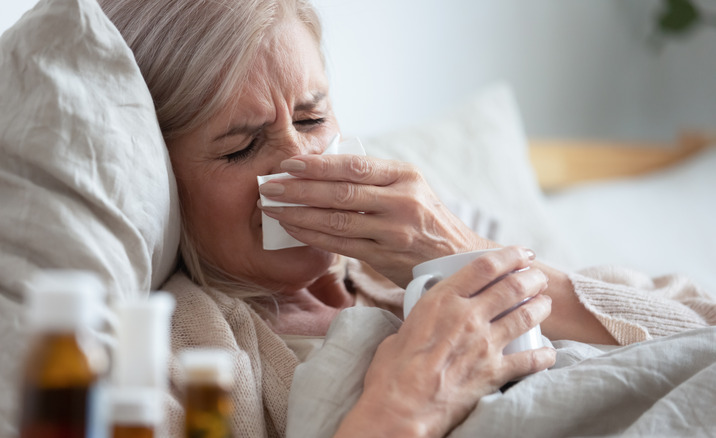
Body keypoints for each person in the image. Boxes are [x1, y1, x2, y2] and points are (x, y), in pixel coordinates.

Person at [98, 0, 716, 436]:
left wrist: (461, 249)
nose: (301, 161)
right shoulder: (187, 346)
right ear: (165, 180)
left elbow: (698, 330)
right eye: (241, 147)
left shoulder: (438, 225)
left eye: (312, 120)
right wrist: (406, 407)